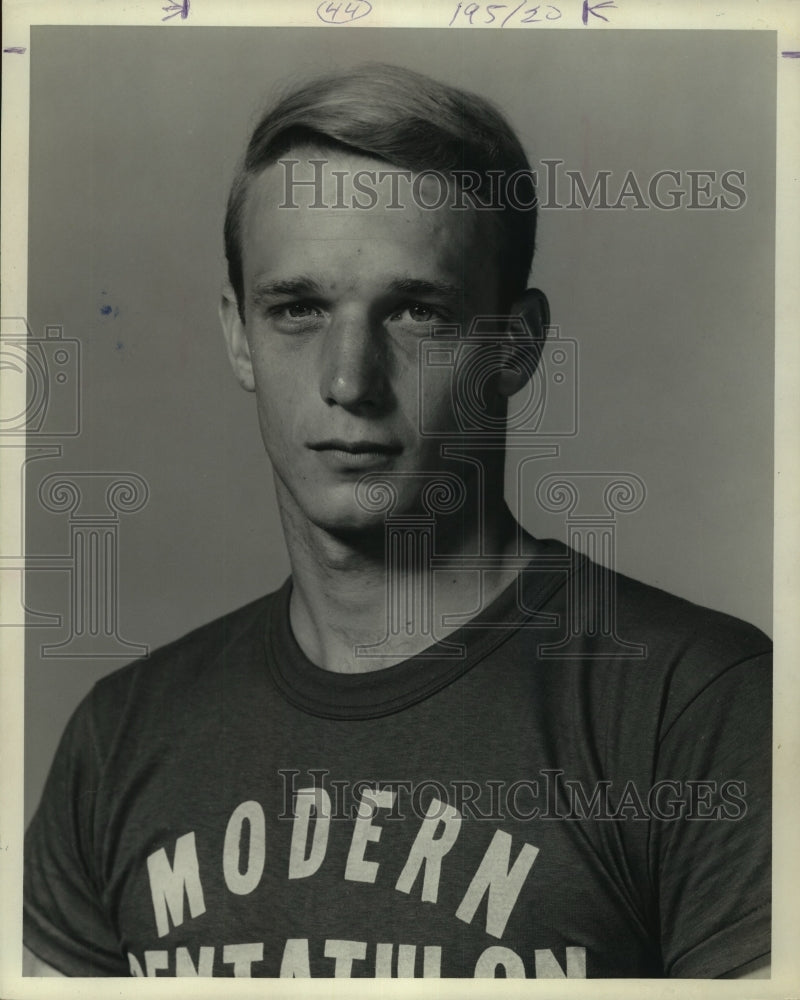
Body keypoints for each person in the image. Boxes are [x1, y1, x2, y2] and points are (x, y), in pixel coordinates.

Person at [23, 63, 771, 979]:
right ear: (236, 337)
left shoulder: (697, 710)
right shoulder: (122, 738)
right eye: (296, 309)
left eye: (417, 312)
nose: (348, 381)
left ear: (516, 347)